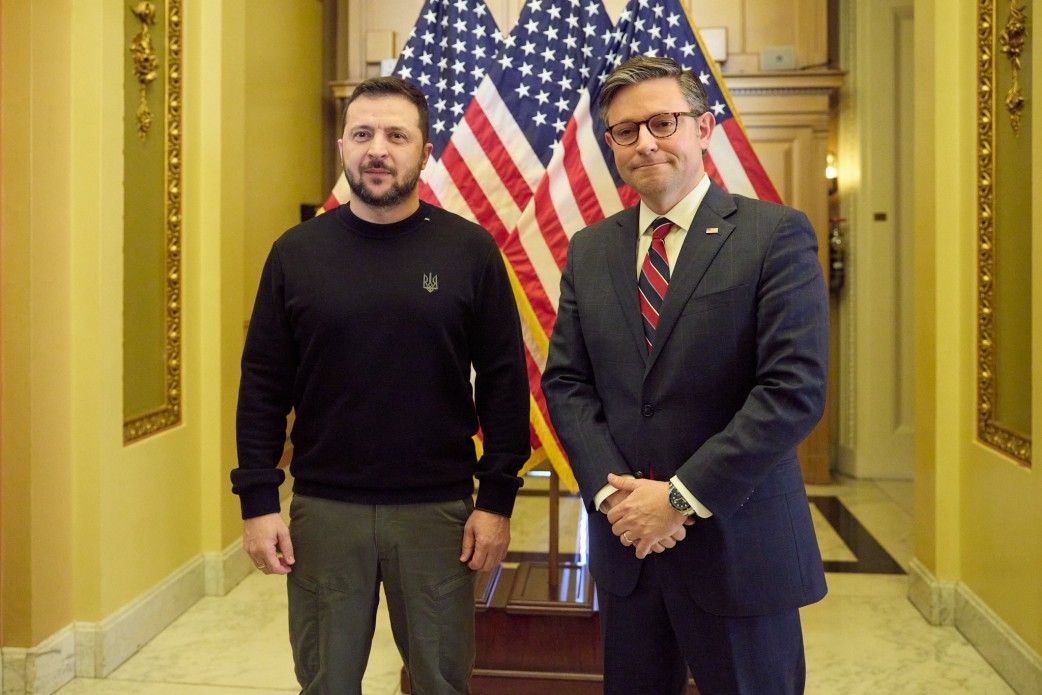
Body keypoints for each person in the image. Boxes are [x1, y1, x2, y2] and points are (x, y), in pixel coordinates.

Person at [232, 76, 530, 695]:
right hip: (325, 513)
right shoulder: (295, 252)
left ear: (424, 150)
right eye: (363, 134)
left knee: (442, 682)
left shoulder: (469, 251)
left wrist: (496, 500)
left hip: (438, 514)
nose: (378, 149)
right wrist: (259, 501)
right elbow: (263, 383)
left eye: (397, 135)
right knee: (326, 682)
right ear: (342, 145)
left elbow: (504, 382)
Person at [541, 56, 828, 694]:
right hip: (629, 552)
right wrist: (618, 499)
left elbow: (793, 391)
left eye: (663, 123)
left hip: (739, 547)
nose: (645, 142)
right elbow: (566, 383)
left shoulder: (774, 235)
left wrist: (676, 499)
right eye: (625, 131)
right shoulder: (591, 249)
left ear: (703, 129)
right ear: (611, 145)